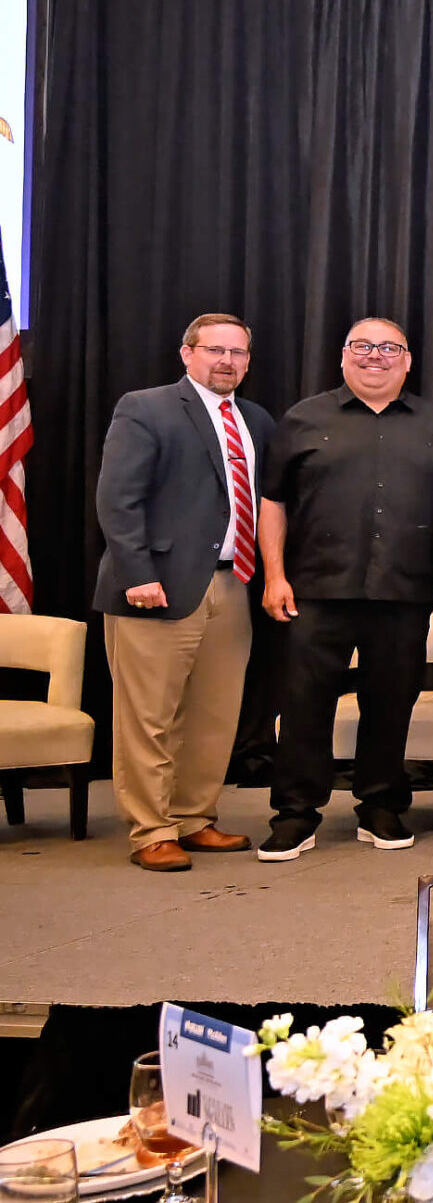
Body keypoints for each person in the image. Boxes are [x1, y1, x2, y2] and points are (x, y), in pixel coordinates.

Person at [254, 317, 433, 862]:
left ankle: (380, 805)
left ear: (408, 360)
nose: (376, 356)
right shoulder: (303, 418)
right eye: (363, 346)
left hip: (404, 590)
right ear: (343, 355)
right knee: (304, 704)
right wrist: (274, 575)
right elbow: (272, 501)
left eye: (389, 347)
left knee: (391, 702)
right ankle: (295, 814)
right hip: (315, 589)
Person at [92, 314, 272, 870]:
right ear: (187, 353)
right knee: (149, 716)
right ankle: (151, 829)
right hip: (157, 586)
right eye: (215, 350)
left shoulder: (256, 420)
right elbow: (118, 499)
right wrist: (136, 573)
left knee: (215, 714)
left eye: (237, 352)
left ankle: (194, 819)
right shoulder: (146, 408)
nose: (226, 361)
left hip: (233, 583)